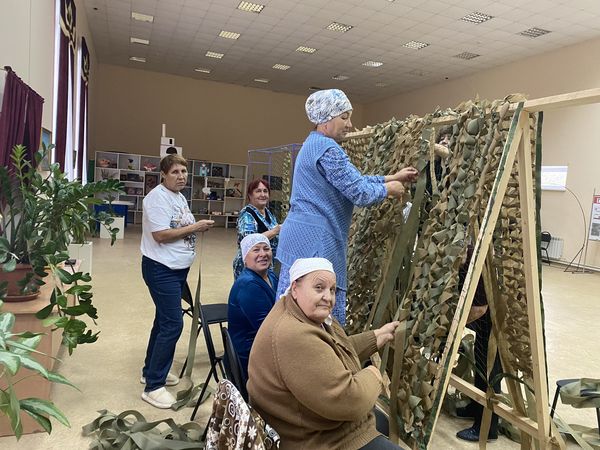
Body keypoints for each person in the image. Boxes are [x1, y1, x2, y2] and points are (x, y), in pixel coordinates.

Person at [275, 89, 418, 325]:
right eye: (344, 117)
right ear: (325, 119)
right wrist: (389, 189)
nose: (350, 124)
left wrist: (390, 177)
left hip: (299, 236)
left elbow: (353, 180)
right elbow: (359, 192)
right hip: (317, 241)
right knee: (319, 310)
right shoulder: (328, 149)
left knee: (293, 304)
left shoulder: (311, 145)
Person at [248, 257, 403, 450]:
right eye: (319, 288)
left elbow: (328, 353)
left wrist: (376, 337)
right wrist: (374, 375)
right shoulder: (293, 335)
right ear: (295, 288)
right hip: (320, 440)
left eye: (332, 290)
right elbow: (350, 400)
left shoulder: (300, 313)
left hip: (316, 425)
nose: (328, 297)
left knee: (381, 421)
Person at [140, 154, 214, 409]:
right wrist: (196, 227)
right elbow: (160, 235)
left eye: (183, 171)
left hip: (176, 269)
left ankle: (150, 370)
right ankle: (153, 386)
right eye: (175, 172)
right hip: (161, 269)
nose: (181, 176)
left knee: (162, 321)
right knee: (173, 324)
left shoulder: (179, 197)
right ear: (163, 174)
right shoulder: (157, 198)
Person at [228, 233, 278, 380]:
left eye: (266, 249)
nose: (263, 254)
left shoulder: (271, 276)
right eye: (256, 250)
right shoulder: (248, 285)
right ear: (245, 258)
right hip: (250, 356)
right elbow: (267, 329)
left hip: (263, 344)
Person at [232, 179, 280, 280]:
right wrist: (275, 231)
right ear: (250, 195)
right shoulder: (247, 215)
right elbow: (249, 240)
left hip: (265, 264)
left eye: (265, 191)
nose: (262, 194)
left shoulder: (267, 212)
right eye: (258, 191)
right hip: (251, 266)